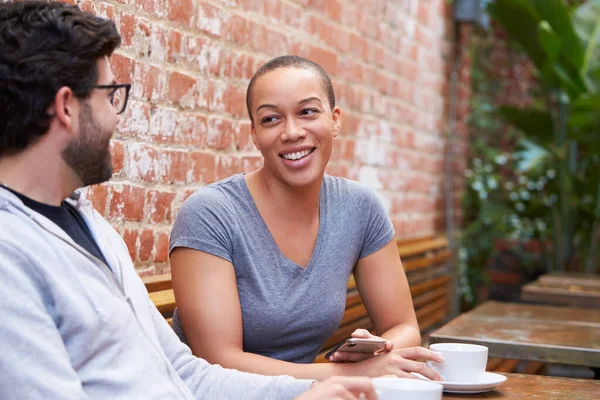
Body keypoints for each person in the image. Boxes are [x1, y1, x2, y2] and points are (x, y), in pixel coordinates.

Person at [0, 2, 376, 399]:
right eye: (110, 95)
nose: (116, 117)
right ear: (66, 107)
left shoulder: (89, 225)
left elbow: (182, 372)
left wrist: (308, 391)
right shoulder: (10, 259)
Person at [168, 55, 445, 380]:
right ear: (255, 134)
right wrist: (343, 375)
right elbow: (219, 362)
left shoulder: (359, 208)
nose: (292, 131)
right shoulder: (211, 214)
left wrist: (378, 351)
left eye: (307, 112)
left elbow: (403, 326)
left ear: (335, 119)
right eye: (271, 119)